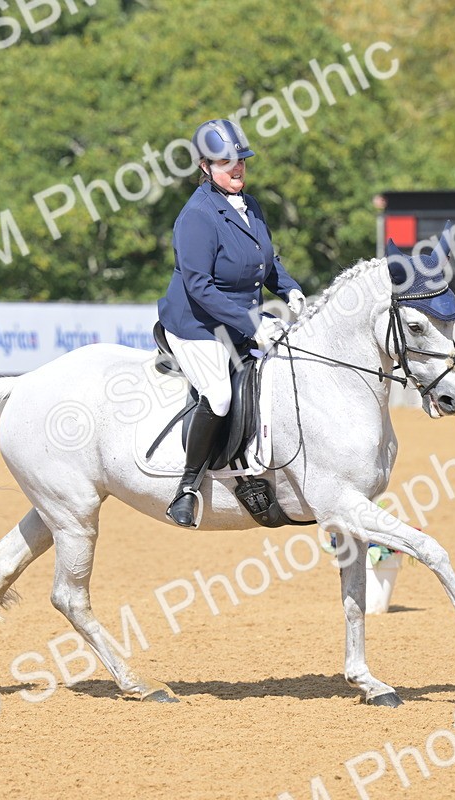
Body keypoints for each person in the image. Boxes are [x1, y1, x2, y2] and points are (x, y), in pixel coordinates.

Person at [156, 119, 306, 528]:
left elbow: (267, 262)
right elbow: (199, 286)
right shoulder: (196, 217)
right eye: (226, 162)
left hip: (241, 320)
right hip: (197, 324)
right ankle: (187, 488)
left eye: (240, 160)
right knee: (220, 395)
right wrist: (251, 322)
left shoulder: (250, 205)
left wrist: (290, 290)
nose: (237, 167)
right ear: (205, 166)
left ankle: (257, 468)